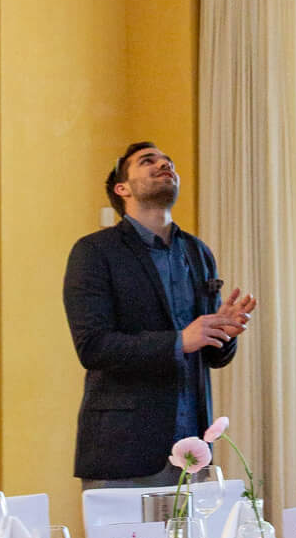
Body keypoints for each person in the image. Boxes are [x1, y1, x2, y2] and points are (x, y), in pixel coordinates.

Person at [64, 142, 256, 488]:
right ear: (122, 189)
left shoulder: (198, 253)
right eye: (147, 161)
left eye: (168, 160)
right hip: (122, 451)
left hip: (192, 451)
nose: (163, 164)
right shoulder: (94, 252)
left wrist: (223, 333)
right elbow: (93, 346)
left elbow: (209, 354)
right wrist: (179, 341)